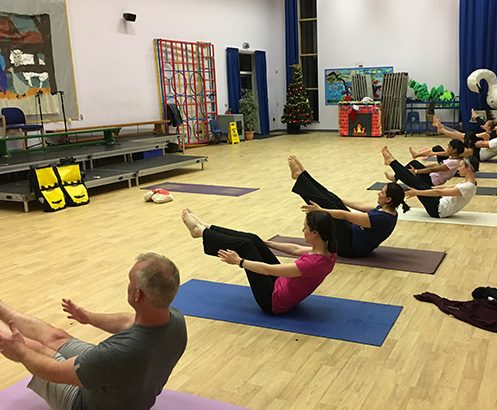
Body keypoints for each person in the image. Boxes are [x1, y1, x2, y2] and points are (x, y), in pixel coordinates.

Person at [0, 253, 187, 410]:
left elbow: (54, 372)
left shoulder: (118, 352)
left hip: (83, 404)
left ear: (137, 294)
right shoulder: (175, 320)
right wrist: (88, 317)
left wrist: (20, 352)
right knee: (57, 337)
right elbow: (128, 321)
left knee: (35, 348)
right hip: (125, 386)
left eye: (130, 281)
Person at [181, 208, 336, 315]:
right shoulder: (328, 251)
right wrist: (265, 243)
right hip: (281, 284)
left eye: (305, 228)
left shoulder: (311, 265)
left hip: (272, 302)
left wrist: (239, 261)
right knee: (253, 239)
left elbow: (267, 270)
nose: (302, 230)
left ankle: (200, 231)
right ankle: (207, 227)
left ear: (315, 233)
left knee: (246, 246)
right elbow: (295, 249)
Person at [288, 155, 409, 258]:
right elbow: (361, 206)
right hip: (353, 235)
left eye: (381, 192)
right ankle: (302, 175)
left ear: (388, 199)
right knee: (332, 199)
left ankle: (300, 177)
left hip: (350, 248)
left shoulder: (381, 218)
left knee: (328, 205)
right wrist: (339, 199)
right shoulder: (388, 210)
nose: (378, 193)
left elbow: (345, 216)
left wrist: (320, 210)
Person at [381, 146, 478, 218]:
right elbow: (446, 188)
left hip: (437, 210)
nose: (458, 168)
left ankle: (391, 161)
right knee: (416, 181)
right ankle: (391, 161)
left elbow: (440, 192)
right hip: (439, 202)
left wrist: (417, 192)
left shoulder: (468, 186)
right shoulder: (469, 183)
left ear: (468, 168)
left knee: (413, 182)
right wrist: (429, 188)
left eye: (460, 166)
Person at [386, 139, 465, 186]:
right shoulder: (453, 158)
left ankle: (395, 177)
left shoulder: (453, 162)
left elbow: (432, 170)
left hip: (431, 181)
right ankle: (396, 177)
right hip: (432, 176)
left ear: (455, 150)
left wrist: (416, 171)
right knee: (414, 164)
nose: (447, 148)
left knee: (413, 165)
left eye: (449, 147)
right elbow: (436, 166)